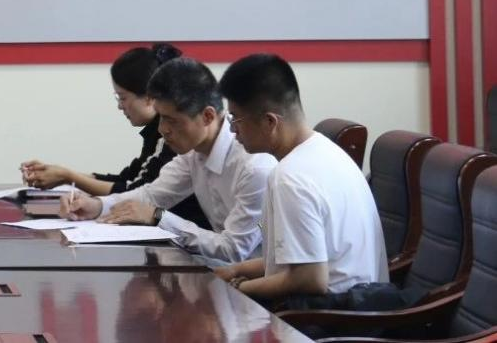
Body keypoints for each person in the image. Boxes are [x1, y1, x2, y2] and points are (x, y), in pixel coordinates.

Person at [61, 57, 275, 264]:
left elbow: (235, 250)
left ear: (207, 116)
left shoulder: (254, 167)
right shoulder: (193, 153)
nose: (163, 129)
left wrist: (158, 217)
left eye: (172, 120)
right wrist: (97, 205)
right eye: (161, 117)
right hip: (220, 268)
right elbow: (151, 195)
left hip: (255, 281)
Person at [213, 53, 388, 304]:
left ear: (270, 121)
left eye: (236, 119)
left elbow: (309, 279)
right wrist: (236, 271)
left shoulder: (290, 178)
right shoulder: (326, 151)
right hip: (364, 303)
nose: (232, 130)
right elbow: (294, 261)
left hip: (331, 317)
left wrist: (239, 288)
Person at [20, 42, 209, 228]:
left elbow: (136, 191)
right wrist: (80, 189)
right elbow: (141, 188)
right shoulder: (165, 138)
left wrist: (68, 176)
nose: (119, 106)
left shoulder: (176, 140)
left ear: (150, 97)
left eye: (122, 97)